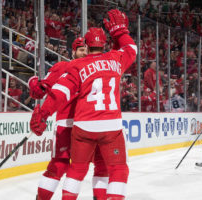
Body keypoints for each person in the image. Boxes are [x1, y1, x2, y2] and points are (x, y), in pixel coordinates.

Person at [30, 9, 136, 200]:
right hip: (83, 125)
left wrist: (42, 110)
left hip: (81, 125)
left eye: (82, 48)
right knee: (67, 166)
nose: (81, 52)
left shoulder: (73, 66)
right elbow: (45, 91)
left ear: (87, 47)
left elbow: (54, 93)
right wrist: (121, 33)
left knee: (82, 168)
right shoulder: (110, 59)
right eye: (78, 49)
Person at [29, 37, 109, 200]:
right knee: (59, 165)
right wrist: (35, 86)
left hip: (91, 125)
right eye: (81, 50)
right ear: (73, 52)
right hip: (67, 124)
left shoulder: (95, 69)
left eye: (87, 50)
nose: (85, 52)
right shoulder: (63, 67)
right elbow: (42, 90)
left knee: (101, 165)